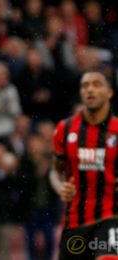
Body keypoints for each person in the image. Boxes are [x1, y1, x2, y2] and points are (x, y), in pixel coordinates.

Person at [51, 71, 118, 260]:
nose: (90, 89)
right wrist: (60, 187)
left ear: (109, 92)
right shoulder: (64, 129)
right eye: (85, 85)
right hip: (75, 222)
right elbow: (55, 171)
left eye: (97, 84)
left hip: (110, 217)